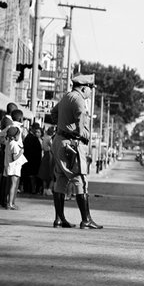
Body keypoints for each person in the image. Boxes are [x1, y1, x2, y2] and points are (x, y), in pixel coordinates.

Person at [50, 74, 103, 229]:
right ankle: (86, 220)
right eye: (90, 89)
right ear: (84, 87)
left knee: (60, 179)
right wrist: (81, 133)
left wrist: (63, 125)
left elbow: (54, 113)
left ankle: (59, 219)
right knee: (80, 180)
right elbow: (81, 121)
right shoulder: (79, 99)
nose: (90, 93)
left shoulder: (66, 97)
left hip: (59, 141)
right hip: (71, 144)